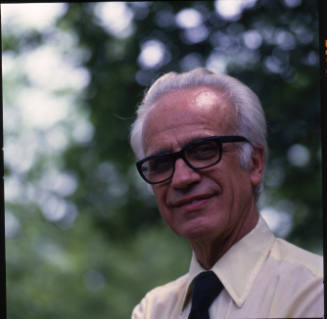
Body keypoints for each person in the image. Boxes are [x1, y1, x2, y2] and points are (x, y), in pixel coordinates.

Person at [129, 68, 324, 318]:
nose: (181, 179)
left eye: (203, 151)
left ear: (254, 163)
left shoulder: (313, 291)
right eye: (162, 163)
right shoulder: (154, 310)